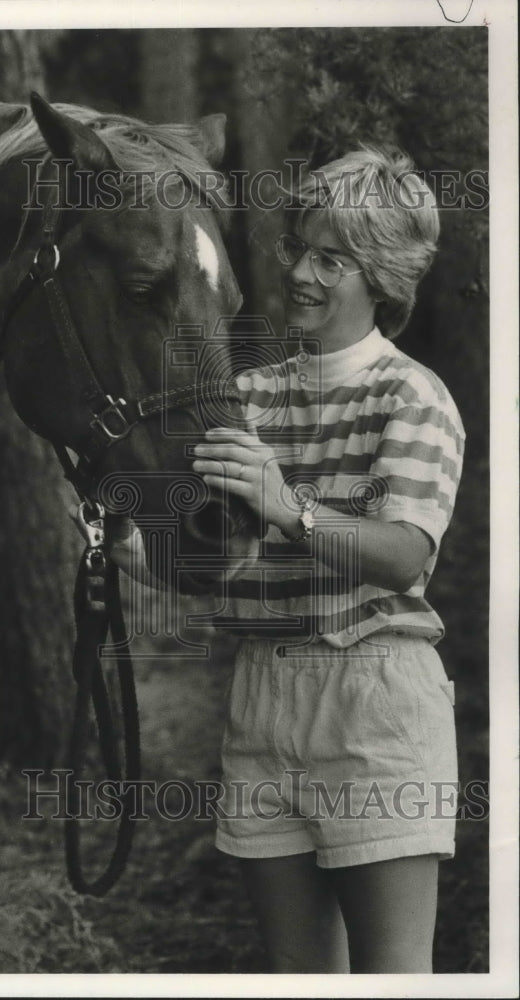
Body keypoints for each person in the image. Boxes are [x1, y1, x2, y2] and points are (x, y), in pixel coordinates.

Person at [186, 147, 465, 973]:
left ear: (382, 277)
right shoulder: (249, 396)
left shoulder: (413, 395)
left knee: (391, 979)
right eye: (299, 249)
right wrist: (116, 545)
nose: (301, 273)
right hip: (261, 691)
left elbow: (404, 554)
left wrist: (290, 507)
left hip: (374, 700)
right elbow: (214, 566)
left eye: (330, 259)